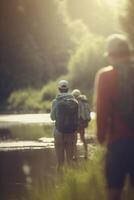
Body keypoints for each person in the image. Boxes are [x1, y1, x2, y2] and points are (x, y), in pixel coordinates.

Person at [95, 34, 134, 200]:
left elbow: (101, 111)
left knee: (114, 191)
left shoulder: (105, 76)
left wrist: (101, 137)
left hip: (117, 143)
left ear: (111, 55)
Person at [50, 80, 78, 170]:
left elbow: (52, 118)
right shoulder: (75, 101)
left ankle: (60, 183)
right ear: (68, 89)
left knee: (60, 164)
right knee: (70, 163)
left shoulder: (55, 101)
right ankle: (70, 183)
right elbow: (77, 118)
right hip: (71, 133)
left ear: (59, 89)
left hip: (58, 133)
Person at [72, 89, 91, 160]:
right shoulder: (85, 102)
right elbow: (89, 112)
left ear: (74, 96)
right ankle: (86, 154)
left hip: (77, 123)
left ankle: (75, 156)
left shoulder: (75, 102)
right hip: (83, 123)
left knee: (75, 140)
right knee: (83, 138)